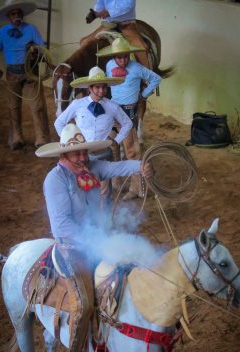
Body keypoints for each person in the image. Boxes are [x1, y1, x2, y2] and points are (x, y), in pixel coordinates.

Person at [35, 122, 153, 352]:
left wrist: (140, 167)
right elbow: (61, 226)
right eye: (76, 154)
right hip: (71, 248)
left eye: (84, 152)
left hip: (95, 240)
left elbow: (115, 168)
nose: (82, 158)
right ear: (63, 156)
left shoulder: (90, 168)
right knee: (85, 303)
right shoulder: (55, 180)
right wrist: (98, 242)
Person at [54, 66, 133, 208]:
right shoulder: (77, 105)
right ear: (89, 88)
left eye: (104, 87)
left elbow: (128, 123)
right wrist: (68, 143)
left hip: (104, 152)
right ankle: (86, 222)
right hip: (82, 155)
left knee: (105, 191)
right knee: (82, 189)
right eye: (97, 88)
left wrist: (116, 141)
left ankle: (105, 223)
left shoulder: (112, 107)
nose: (101, 91)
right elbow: (59, 123)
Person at [97, 37, 161, 200]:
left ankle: (138, 188)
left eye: (126, 56)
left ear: (129, 55)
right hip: (113, 111)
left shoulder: (137, 68)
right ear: (113, 57)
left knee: (132, 151)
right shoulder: (109, 66)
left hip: (128, 113)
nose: (123, 60)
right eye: (119, 57)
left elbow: (156, 79)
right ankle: (116, 182)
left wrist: (144, 95)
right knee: (112, 147)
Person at [0, 0, 49, 150]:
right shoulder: (3, 32)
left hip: (31, 72)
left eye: (18, 13)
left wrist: (35, 48)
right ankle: (17, 137)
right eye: (13, 14)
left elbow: (42, 47)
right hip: (12, 73)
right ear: (8, 17)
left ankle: (40, 138)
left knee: (37, 106)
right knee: (13, 106)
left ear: (22, 15)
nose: (16, 16)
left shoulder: (31, 29)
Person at [82, 0, 150, 68]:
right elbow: (100, 3)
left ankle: (146, 75)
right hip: (108, 24)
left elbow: (128, 4)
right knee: (84, 42)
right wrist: (95, 12)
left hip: (127, 23)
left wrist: (108, 12)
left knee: (141, 48)